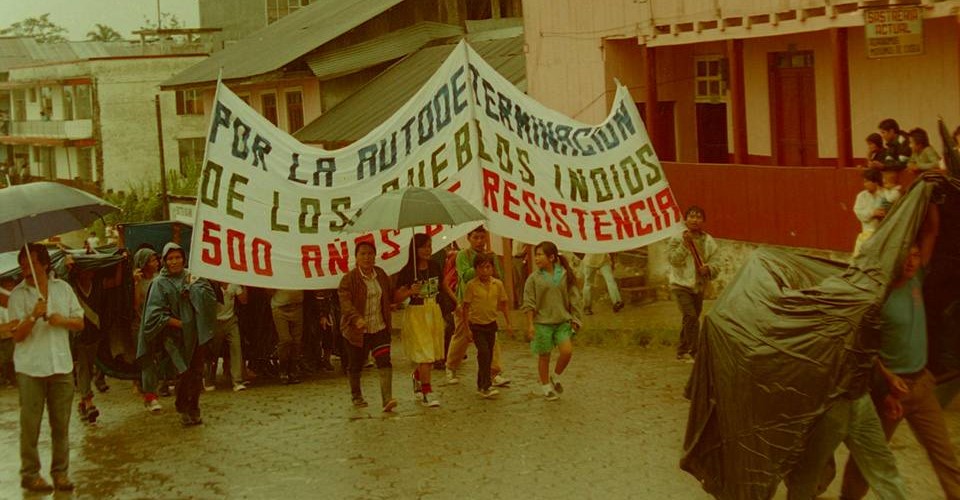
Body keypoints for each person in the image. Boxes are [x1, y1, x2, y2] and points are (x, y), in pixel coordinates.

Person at [841, 201, 960, 499]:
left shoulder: (917, 280)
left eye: (916, 256)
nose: (911, 262)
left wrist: (927, 196)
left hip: (921, 385)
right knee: (869, 457)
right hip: (889, 391)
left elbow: (930, 233)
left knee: (945, 456)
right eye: (906, 256)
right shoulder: (878, 295)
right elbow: (863, 346)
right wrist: (886, 379)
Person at [9, 243, 84, 492]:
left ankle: (60, 473)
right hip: (30, 367)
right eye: (22, 264)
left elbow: (79, 322)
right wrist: (32, 316)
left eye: (29, 263)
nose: (25, 269)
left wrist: (61, 320)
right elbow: (16, 336)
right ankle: (30, 474)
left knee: (61, 424)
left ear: (43, 263)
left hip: (61, 364)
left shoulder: (62, 289)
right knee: (30, 424)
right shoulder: (18, 295)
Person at [137, 243, 217, 427]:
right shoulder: (159, 283)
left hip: (195, 336)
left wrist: (193, 292)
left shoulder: (193, 276)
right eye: (170, 258)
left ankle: (194, 407)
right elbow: (154, 315)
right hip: (173, 338)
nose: (175, 262)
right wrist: (180, 324)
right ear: (165, 261)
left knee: (197, 373)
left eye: (178, 257)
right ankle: (183, 408)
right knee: (184, 373)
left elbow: (210, 297)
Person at [446, 226, 510, 388]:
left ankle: (494, 372)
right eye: (476, 238)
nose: (480, 241)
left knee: (492, 339)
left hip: (487, 303)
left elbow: (499, 275)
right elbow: (465, 275)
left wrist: (490, 265)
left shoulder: (491, 255)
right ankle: (451, 366)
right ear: (469, 238)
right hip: (466, 303)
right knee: (461, 336)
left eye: (482, 237)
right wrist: (481, 266)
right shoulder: (463, 255)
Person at [338, 241, 398, 412]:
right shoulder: (348, 279)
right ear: (356, 257)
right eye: (363, 254)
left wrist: (407, 292)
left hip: (379, 327)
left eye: (370, 254)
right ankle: (356, 395)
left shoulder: (381, 274)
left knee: (384, 361)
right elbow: (345, 303)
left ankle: (387, 399)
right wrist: (356, 319)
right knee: (356, 364)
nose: (367, 257)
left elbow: (390, 295)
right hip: (357, 331)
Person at [395, 233, 453, 407]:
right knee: (425, 354)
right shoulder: (407, 271)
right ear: (415, 249)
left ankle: (418, 376)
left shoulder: (435, 266)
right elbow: (396, 297)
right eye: (424, 246)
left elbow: (443, 286)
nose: (428, 250)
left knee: (431, 354)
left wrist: (455, 301)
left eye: (430, 245)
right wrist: (410, 291)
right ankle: (427, 391)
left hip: (433, 310)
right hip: (417, 313)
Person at [522, 241, 582, 401]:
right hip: (542, 323)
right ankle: (546, 386)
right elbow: (529, 303)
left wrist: (576, 319)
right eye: (536, 255)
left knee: (567, 351)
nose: (537, 258)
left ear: (552, 257)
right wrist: (530, 325)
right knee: (544, 356)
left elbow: (574, 298)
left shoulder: (564, 274)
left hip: (562, 321)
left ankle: (555, 376)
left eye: (540, 254)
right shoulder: (533, 279)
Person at [668, 206, 718, 362]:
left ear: (703, 220)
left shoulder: (708, 240)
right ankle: (694, 352)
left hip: (698, 286)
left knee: (690, 318)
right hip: (680, 284)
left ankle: (681, 351)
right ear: (685, 219)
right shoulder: (677, 238)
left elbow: (717, 260)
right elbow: (673, 260)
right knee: (691, 317)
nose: (694, 219)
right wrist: (685, 244)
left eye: (698, 217)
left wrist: (709, 269)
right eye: (691, 216)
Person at [463, 252, 513, 399]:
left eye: (488, 267)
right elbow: (465, 307)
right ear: (476, 269)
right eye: (481, 268)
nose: (485, 271)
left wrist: (509, 323)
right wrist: (466, 329)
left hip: (491, 324)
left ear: (492, 268)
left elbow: (504, 304)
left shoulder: (497, 284)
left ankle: (481, 384)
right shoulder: (471, 286)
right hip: (476, 325)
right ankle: (486, 385)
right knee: (483, 353)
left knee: (488, 355)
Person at [67, 263, 105, 424]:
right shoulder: (72, 288)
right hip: (80, 336)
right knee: (83, 368)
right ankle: (89, 403)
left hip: (95, 334)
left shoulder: (97, 286)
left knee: (89, 369)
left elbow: (116, 282)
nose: (88, 273)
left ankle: (82, 404)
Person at [132, 248, 164, 411]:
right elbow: (135, 305)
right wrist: (136, 283)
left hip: (160, 324)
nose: (156, 263)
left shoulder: (161, 279)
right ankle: (150, 396)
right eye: (152, 260)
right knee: (147, 361)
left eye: (156, 259)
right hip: (142, 326)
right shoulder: (137, 281)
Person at [206, 281, 248, 392]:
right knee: (213, 352)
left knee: (236, 348)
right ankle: (209, 379)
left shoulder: (234, 284)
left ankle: (237, 381)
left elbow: (243, 301)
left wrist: (245, 283)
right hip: (215, 322)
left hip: (231, 320)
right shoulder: (210, 286)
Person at [852, 168, 885, 257]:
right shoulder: (861, 196)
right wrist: (872, 213)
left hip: (883, 232)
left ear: (875, 182)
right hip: (867, 232)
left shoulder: (885, 195)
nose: (864, 184)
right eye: (864, 182)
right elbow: (858, 212)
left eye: (867, 181)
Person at [0, 277, 18, 387]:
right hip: (6, 339)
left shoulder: (16, 304)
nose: (10, 288)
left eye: (12, 286)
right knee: (7, 360)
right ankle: (8, 379)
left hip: (16, 336)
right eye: (8, 286)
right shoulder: (1, 309)